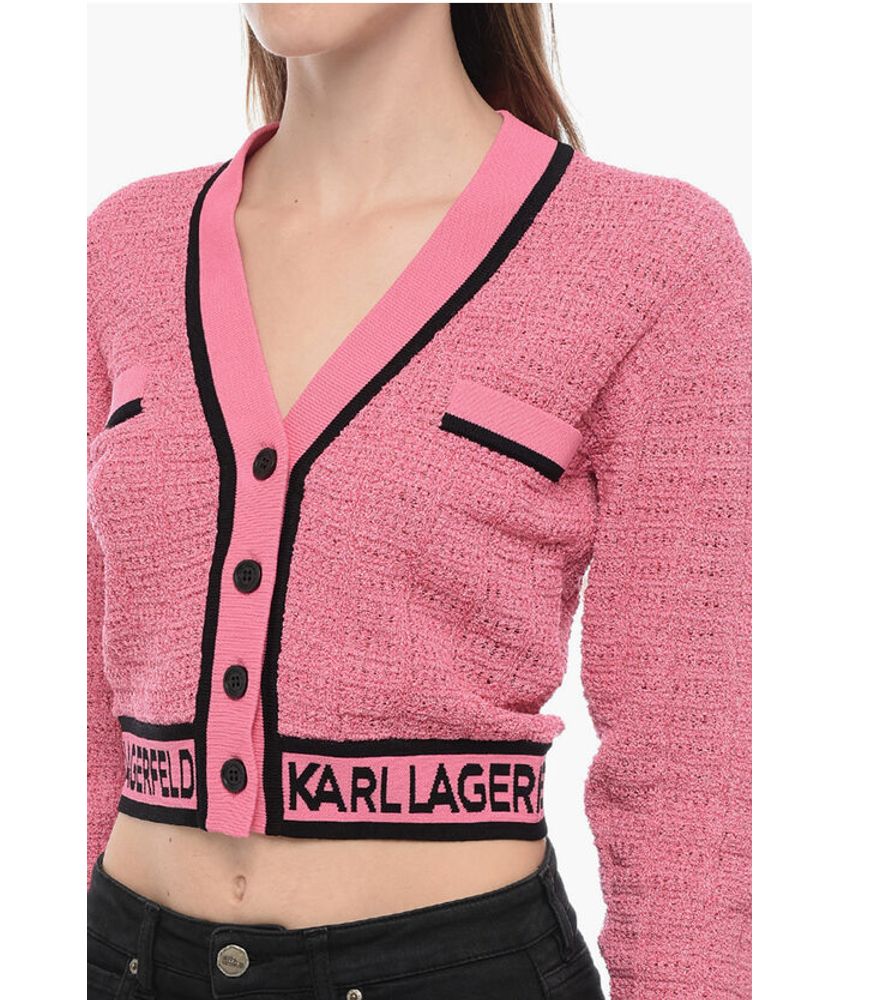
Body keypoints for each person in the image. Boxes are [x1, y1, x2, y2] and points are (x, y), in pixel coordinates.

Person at [86, 4, 751, 999]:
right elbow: (81, 687)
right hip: (125, 956)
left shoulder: (652, 257)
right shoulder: (124, 247)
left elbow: (691, 757)